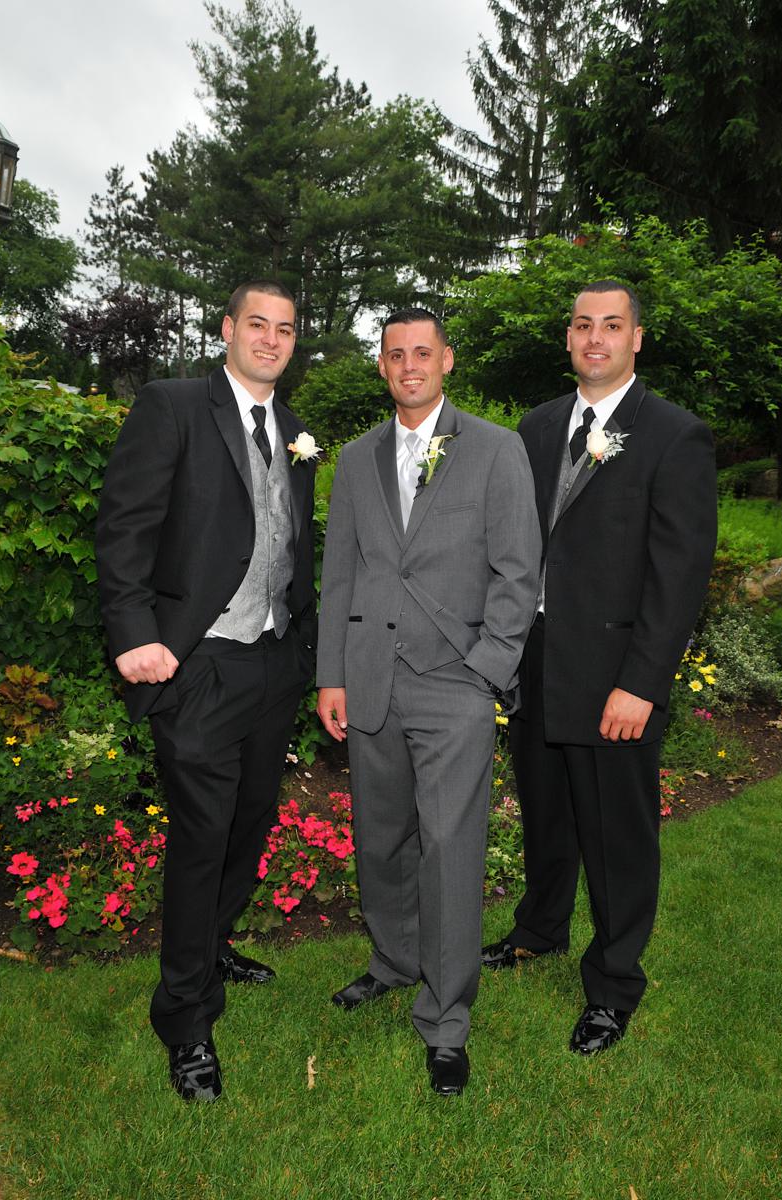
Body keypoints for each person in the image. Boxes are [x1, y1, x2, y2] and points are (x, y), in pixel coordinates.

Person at [95, 281, 318, 1101]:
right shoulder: (175, 406)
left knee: (249, 823)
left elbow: (291, 544)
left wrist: (306, 648)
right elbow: (124, 527)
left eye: (284, 329)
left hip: (273, 662)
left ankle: (213, 943)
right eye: (257, 324)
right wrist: (134, 634)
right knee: (201, 837)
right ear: (227, 329)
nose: (270, 339)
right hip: (197, 665)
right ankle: (186, 1020)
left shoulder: (296, 431)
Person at [482, 280, 717, 1055]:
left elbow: (679, 575)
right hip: (537, 659)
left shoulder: (674, 435)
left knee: (617, 837)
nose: (595, 338)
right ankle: (539, 929)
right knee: (546, 812)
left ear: (636, 338)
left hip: (615, 672)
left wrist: (641, 684)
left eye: (611, 325)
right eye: (583, 325)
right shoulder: (537, 426)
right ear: (569, 336)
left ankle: (613, 985)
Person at [316, 309, 541, 1095]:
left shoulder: (496, 449)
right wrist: (332, 675)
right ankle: (392, 961)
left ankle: (445, 1019)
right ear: (381, 366)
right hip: (371, 679)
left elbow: (519, 570)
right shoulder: (355, 459)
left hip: (455, 683)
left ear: (447, 359)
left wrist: (486, 669)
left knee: (449, 849)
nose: (409, 364)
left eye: (423, 351)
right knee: (381, 839)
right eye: (395, 354)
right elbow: (339, 573)